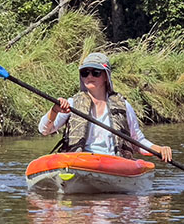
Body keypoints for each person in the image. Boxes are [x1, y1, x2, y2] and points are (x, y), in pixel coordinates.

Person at [38, 52, 172, 162]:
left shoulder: (123, 105)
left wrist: (158, 150)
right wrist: (54, 110)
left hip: (113, 162)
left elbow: (137, 141)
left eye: (95, 72)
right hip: (79, 162)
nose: (89, 76)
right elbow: (44, 130)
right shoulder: (72, 103)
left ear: (106, 77)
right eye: (85, 73)